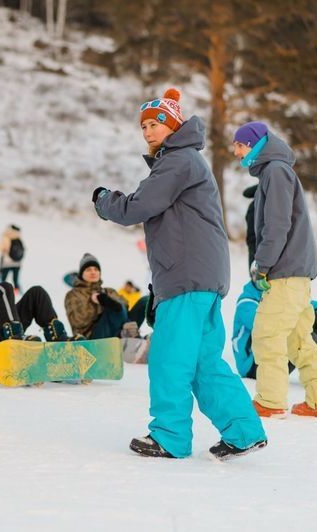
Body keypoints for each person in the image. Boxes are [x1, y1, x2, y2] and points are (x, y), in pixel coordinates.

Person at [93, 88, 267, 460]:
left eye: (156, 124)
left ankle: (170, 436)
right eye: (144, 128)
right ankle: (243, 430)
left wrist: (105, 200)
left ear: (174, 126)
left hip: (187, 277)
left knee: (170, 358)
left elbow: (140, 205)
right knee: (204, 361)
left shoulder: (177, 161)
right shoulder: (185, 162)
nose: (149, 132)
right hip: (200, 275)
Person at [233, 120, 317, 417]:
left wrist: (262, 265)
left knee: (266, 334)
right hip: (295, 272)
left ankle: (269, 401)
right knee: (297, 338)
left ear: (255, 144)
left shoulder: (275, 172)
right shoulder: (277, 170)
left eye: (240, 145)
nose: (236, 151)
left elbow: (277, 225)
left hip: (285, 271)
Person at [65, 254, 143, 340]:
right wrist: (100, 305)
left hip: (119, 327)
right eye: (88, 270)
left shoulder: (108, 291)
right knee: (112, 307)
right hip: (92, 337)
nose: (93, 272)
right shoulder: (73, 295)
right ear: (81, 274)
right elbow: (78, 321)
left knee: (144, 302)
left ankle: (151, 335)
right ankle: (129, 335)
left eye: (96, 269)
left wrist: (106, 300)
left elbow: (125, 305)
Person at [0, 224, 24, 292]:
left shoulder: (6, 236)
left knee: (3, 278)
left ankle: (1, 291)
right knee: (15, 279)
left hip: (7, 262)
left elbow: (1, 248)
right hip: (17, 262)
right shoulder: (18, 236)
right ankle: (17, 292)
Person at [243, 184, 258, 267]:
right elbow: (245, 193)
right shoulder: (255, 205)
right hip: (253, 242)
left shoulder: (254, 205)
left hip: (255, 242)